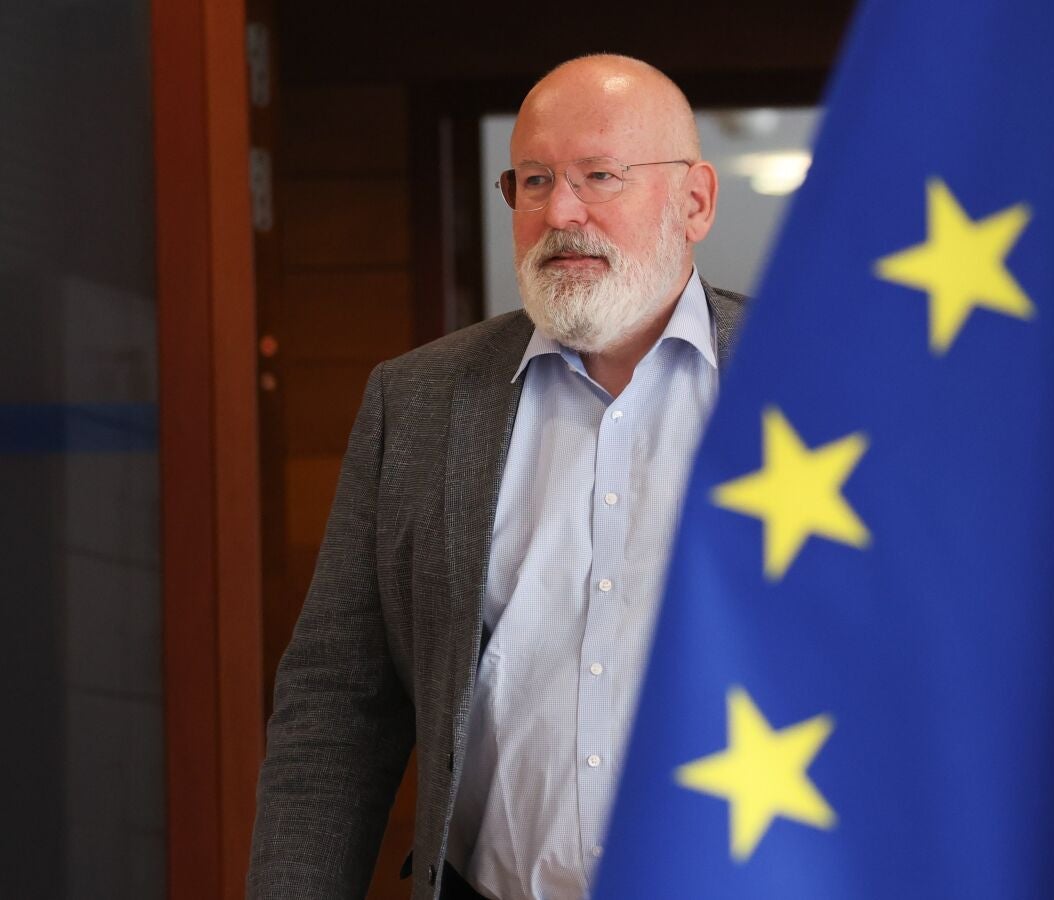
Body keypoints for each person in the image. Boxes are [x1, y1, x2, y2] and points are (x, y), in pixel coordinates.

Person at [247, 54, 743, 900]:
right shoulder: (420, 401)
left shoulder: (812, 387)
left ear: (694, 200)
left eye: (599, 176)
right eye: (534, 180)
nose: (560, 212)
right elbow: (337, 703)